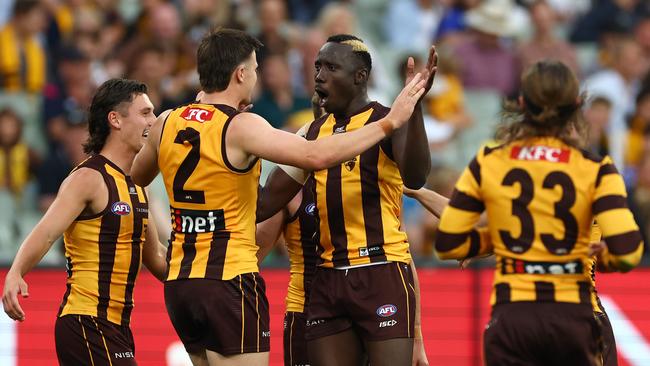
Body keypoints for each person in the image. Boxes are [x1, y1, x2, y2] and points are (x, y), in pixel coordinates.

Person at [130, 28, 428, 366]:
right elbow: (311, 159)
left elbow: (136, 179)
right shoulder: (245, 127)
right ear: (241, 74)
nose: (318, 76)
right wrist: (391, 122)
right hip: (233, 279)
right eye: (255, 69)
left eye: (329, 68)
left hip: (183, 284)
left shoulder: (167, 120)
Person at [434, 60, 644, 365]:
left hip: (513, 317)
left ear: (521, 103)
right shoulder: (597, 169)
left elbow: (448, 243)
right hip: (575, 316)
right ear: (576, 105)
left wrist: (499, 239)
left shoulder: (489, 161)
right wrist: (605, 257)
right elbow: (628, 253)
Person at [256, 35, 436, 366]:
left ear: (359, 76)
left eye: (331, 67)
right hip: (328, 277)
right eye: (317, 67)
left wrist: (416, 106)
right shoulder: (311, 134)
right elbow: (265, 204)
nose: (320, 75)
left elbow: (416, 177)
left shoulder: (387, 119)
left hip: (381, 271)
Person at [1, 78, 168, 365]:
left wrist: (203, 267)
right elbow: (46, 232)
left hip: (116, 327)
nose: (153, 120)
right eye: (145, 113)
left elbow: (155, 258)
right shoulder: (88, 178)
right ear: (115, 119)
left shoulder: (138, 186)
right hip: (86, 321)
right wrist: (16, 272)